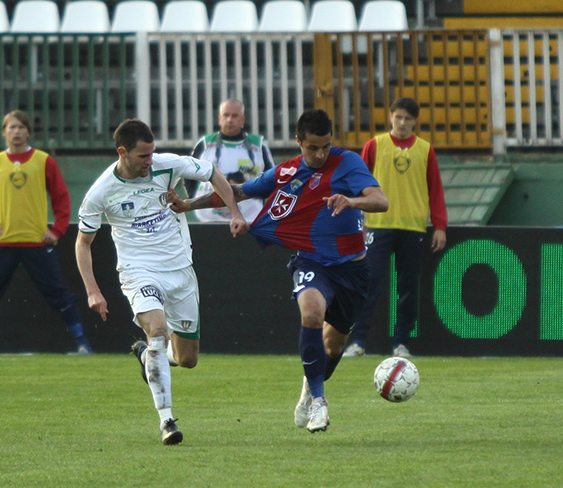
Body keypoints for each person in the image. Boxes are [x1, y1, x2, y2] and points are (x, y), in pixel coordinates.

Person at [169, 109, 388, 434]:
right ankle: (319, 401)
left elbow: (381, 200)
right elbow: (239, 191)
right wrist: (189, 205)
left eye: (325, 146)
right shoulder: (287, 171)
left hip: (353, 269)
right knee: (311, 313)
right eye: (312, 147)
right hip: (312, 262)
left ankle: (309, 387)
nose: (320, 154)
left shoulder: (348, 163)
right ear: (299, 141)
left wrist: (352, 201)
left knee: (333, 348)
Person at [75, 118, 247, 446]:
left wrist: (235, 212)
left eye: (152, 153)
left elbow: (212, 173)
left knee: (187, 359)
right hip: (139, 271)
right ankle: (166, 420)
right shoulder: (101, 191)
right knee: (157, 331)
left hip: (180, 270)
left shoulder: (166, 165)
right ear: (122, 152)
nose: (150, 161)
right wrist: (92, 290)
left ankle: (148, 358)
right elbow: (83, 243)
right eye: (143, 156)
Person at [0, 110, 91, 355]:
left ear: (28, 131)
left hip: (36, 241)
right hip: (3, 242)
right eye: (11, 127)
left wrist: (58, 229)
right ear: (4, 132)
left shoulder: (43, 161)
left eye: (20, 127)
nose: (16, 131)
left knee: (58, 292)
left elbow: (61, 197)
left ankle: (82, 343)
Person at [343, 97, 448, 359]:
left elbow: (435, 189)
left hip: (412, 227)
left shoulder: (425, 150)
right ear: (390, 116)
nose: (402, 123)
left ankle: (401, 343)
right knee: (369, 283)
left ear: (415, 121)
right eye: (398, 117)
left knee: (408, 288)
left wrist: (440, 225)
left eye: (407, 119)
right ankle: (358, 341)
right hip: (378, 224)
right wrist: (357, 222)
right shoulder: (374, 145)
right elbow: (357, 185)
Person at [188, 98, 275, 223]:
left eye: (234, 116)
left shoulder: (259, 146)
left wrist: (246, 187)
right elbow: (188, 174)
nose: (229, 120)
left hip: (248, 219)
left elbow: (271, 181)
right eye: (226, 115)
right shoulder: (205, 143)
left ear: (242, 119)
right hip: (208, 219)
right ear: (220, 118)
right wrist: (195, 198)